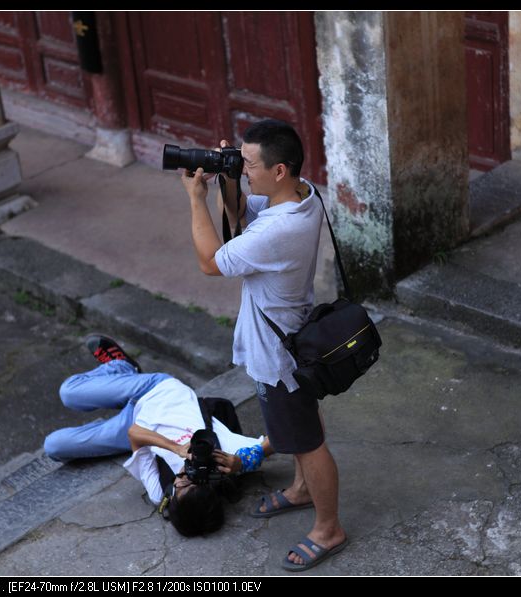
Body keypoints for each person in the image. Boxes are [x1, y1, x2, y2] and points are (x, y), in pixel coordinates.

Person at [181, 119, 348, 571]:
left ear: (279, 170)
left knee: (308, 442)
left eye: (249, 164)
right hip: (291, 338)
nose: (244, 169)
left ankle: (328, 527)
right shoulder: (300, 193)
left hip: (279, 357)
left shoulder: (279, 230)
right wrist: (229, 179)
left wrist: (197, 199)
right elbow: (241, 214)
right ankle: (299, 489)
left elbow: (211, 262)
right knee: (298, 429)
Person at [43, 335, 274, 537]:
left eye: (181, 487)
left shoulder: (159, 492)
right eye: (193, 483)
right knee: (69, 392)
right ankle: (122, 368)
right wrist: (244, 460)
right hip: (157, 391)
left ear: (172, 498)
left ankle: (116, 389)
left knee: (54, 446)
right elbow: (282, 440)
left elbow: (134, 434)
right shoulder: (227, 459)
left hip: (137, 427)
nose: (185, 477)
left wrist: (175, 448)